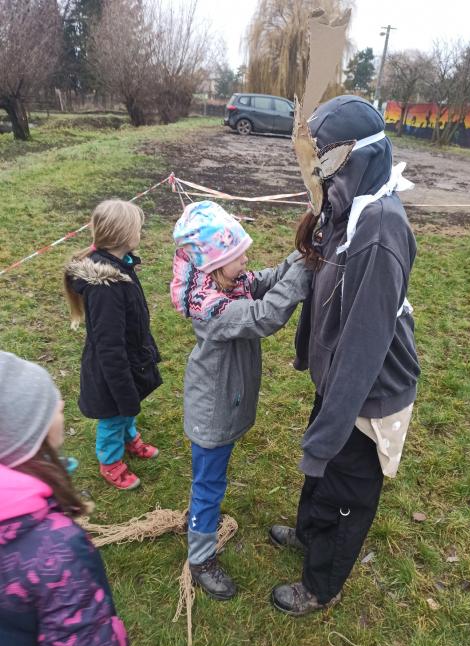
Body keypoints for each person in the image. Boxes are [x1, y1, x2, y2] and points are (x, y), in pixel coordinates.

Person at [270, 95, 420, 615]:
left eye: (327, 161)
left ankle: (320, 584)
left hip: (367, 391)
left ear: (357, 158)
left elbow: (363, 347)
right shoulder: (349, 208)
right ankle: (309, 534)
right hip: (337, 379)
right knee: (321, 472)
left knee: (345, 488)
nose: (319, 173)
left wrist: (332, 425)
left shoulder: (380, 232)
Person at [171, 200, 312, 600]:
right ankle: (200, 558)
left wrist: (299, 257)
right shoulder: (213, 308)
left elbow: (265, 280)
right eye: (237, 255)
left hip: (224, 404)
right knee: (208, 484)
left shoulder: (227, 283)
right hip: (211, 413)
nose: (246, 260)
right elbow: (263, 315)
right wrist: (301, 276)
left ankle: (201, 527)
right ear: (214, 264)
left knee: (211, 479)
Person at [0, 351, 128, 646]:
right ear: (28, 435)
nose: (60, 403)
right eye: (49, 405)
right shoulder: (55, 547)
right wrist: (115, 637)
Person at [64, 199, 162, 490]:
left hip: (129, 359)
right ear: (123, 235)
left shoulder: (121, 265)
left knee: (126, 407)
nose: (140, 232)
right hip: (112, 368)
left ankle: (130, 438)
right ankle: (110, 462)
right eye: (138, 228)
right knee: (114, 415)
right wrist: (122, 383)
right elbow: (109, 346)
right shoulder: (105, 287)